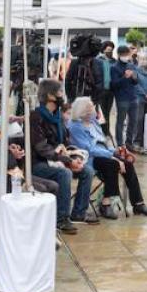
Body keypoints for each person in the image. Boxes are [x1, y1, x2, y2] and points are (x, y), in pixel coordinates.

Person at [0, 96, 60, 248]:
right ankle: (32, 232)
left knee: (52, 186)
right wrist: (9, 158)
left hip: (9, 173)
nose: (1, 115)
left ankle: (43, 230)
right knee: (42, 189)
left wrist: (11, 153)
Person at [68, 96, 147, 219]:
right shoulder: (75, 126)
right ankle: (106, 203)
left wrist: (115, 151)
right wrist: (112, 155)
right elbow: (89, 149)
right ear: (84, 111)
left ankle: (138, 204)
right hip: (89, 158)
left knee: (127, 163)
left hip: (103, 153)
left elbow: (103, 141)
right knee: (112, 164)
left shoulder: (93, 122)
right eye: (91, 107)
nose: (94, 108)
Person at [30, 79, 93, 233]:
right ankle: (61, 218)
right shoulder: (35, 116)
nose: (62, 95)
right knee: (64, 173)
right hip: (38, 162)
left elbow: (65, 142)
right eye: (59, 92)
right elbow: (41, 148)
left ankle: (78, 213)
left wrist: (73, 155)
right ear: (50, 96)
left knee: (87, 171)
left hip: (58, 158)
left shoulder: (57, 116)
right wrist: (67, 161)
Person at [112, 45, 140, 150]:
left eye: (127, 54)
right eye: (123, 55)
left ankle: (129, 142)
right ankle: (120, 144)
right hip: (122, 98)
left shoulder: (131, 65)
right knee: (120, 121)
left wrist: (133, 77)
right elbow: (114, 85)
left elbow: (136, 82)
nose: (126, 56)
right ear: (119, 55)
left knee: (133, 121)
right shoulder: (114, 67)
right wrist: (124, 77)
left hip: (133, 97)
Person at [96, 41, 116, 138]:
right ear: (103, 50)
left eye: (111, 50)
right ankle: (102, 131)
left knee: (107, 111)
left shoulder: (114, 61)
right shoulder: (98, 60)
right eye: (108, 50)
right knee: (101, 111)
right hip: (101, 90)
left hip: (110, 90)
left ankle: (107, 131)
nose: (110, 52)